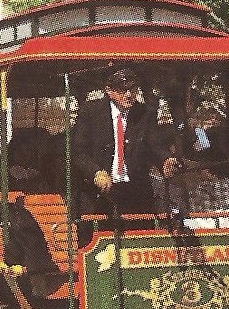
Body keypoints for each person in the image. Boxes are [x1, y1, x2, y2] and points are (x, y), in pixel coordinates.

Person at [70, 66, 171, 218]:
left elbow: (155, 146)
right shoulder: (91, 112)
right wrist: (95, 172)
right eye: (123, 90)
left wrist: (166, 160)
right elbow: (78, 151)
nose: (129, 95)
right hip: (98, 194)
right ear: (109, 91)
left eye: (133, 89)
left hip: (136, 194)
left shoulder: (145, 113)